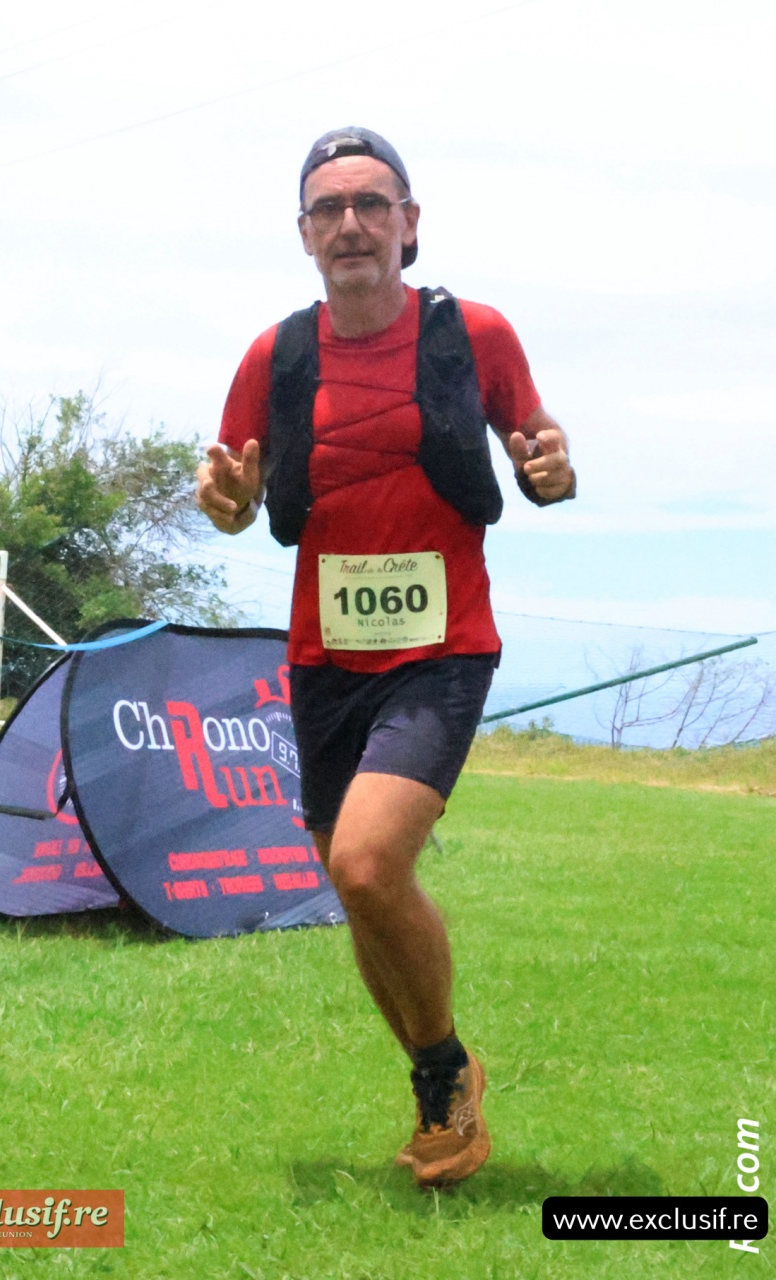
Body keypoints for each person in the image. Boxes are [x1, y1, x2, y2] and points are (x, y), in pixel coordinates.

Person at [196, 127, 575, 1188]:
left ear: (410, 224)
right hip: (324, 658)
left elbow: (542, 456)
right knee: (355, 887)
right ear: (305, 234)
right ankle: (437, 1086)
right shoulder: (275, 357)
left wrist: (552, 471)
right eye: (329, 208)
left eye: (372, 204)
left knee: (365, 863)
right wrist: (225, 504)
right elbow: (233, 493)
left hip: (442, 648)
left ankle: (446, 1064)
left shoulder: (474, 334)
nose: (351, 224)